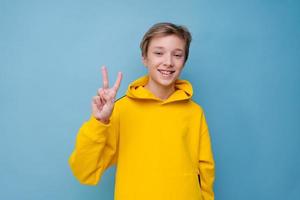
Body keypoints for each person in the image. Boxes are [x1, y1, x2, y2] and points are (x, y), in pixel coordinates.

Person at [69, 22, 215, 200]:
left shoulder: (194, 112)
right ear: (145, 58)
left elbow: (206, 172)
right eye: (159, 53)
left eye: (177, 55)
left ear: (184, 62)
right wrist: (99, 123)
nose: (168, 62)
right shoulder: (120, 110)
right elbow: (85, 171)